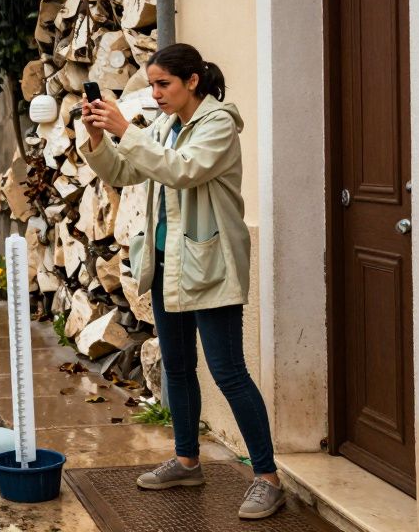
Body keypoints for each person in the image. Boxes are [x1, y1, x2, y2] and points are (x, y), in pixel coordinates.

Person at [79, 43, 284, 520]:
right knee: (177, 367)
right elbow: (127, 168)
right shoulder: (165, 126)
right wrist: (96, 139)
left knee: (229, 372)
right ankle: (188, 460)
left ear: (192, 81)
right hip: (168, 265)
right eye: (151, 85)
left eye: (162, 84)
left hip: (209, 266)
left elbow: (182, 170)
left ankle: (267, 478)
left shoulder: (218, 124)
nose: (155, 94)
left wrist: (127, 130)